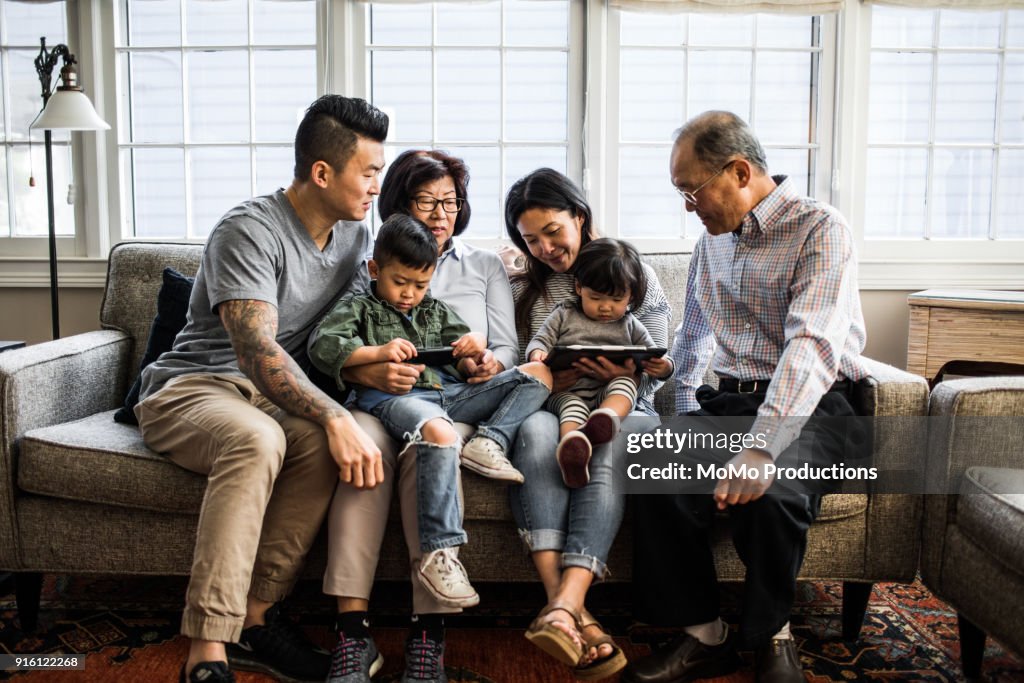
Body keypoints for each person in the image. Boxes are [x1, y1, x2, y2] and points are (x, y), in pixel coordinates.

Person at [133, 95, 389, 683]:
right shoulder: (249, 229)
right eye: (369, 171)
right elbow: (256, 350)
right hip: (194, 387)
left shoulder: (354, 236)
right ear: (322, 173)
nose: (378, 184)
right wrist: (334, 414)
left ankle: (255, 620)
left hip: (271, 395)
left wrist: (365, 367)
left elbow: (342, 327)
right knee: (257, 441)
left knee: (315, 447)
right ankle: (208, 650)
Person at [622, 111, 870, 683]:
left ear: (738, 171)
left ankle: (772, 637)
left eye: (691, 190)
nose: (688, 205)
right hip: (729, 403)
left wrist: (762, 447)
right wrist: (676, 416)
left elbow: (811, 345)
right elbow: (693, 339)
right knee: (652, 465)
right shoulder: (711, 245)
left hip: (817, 403)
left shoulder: (819, 228)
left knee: (775, 491)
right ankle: (704, 634)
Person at [317, 149, 521, 683]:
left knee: (436, 443)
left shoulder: (483, 265)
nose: (439, 212)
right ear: (399, 206)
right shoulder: (365, 257)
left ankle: (428, 632)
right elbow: (331, 341)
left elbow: (506, 349)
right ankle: (352, 631)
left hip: (450, 399)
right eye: (425, 200)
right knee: (366, 455)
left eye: (450, 201)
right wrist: (368, 370)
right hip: (377, 397)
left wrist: (484, 360)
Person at [309, 214, 551, 612]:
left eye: (420, 285)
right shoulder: (359, 307)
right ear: (375, 270)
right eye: (399, 282)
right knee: (441, 434)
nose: (409, 294)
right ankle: (440, 557)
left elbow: (463, 362)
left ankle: (490, 440)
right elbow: (324, 346)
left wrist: (477, 359)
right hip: (391, 400)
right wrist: (376, 354)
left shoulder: (434, 310)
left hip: (449, 394)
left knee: (538, 373)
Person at [504, 168, 673, 681]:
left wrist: (626, 374)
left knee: (613, 438)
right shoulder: (532, 288)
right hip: (558, 402)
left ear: (580, 216)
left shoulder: (631, 270)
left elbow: (658, 364)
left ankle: (565, 604)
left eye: (553, 231)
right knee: (534, 433)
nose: (545, 248)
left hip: (624, 405)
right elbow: (523, 362)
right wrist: (553, 378)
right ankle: (578, 615)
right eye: (530, 240)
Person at [525, 237, 672, 488]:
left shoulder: (629, 323)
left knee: (626, 383)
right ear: (579, 287)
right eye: (596, 298)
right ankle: (572, 449)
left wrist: (665, 368)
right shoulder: (564, 313)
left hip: (607, 393)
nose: (605, 307)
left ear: (631, 297)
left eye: (616, 300)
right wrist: (537, 355)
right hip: (569, 391)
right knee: (570, 409)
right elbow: (540, 341)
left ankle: (605, 420)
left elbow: (655, 354)